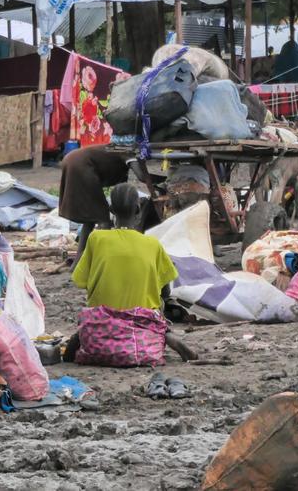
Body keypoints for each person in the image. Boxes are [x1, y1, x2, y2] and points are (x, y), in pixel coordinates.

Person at [65, 184, 196, 364]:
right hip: (142, 321)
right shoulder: (153, 244)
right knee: (160, 305)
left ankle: (83, 337)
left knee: (92, 310)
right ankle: (166, 335)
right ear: (138, 208)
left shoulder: (97, 239)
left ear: (111, 210)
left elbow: (82, 281)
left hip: (101, 322)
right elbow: (165, 292)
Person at [58, 145, 131, 262]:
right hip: (81, 165)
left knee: (90, 218)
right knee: (103, 218)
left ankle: (77, 262)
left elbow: (120, 190)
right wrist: (160, 180)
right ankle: (106, 259)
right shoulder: (129, 153)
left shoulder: (117, 151)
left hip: (72, 159)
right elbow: (142, 177)